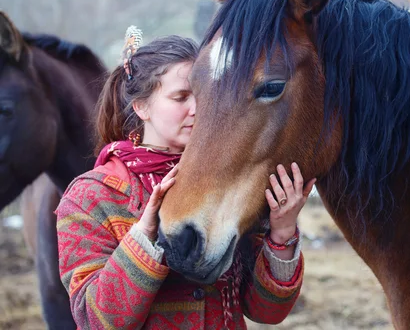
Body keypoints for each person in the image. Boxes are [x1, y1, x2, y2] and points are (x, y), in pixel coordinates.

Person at [55, 27, 316, 329]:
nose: (197, 109)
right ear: (141, 107)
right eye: (180, 97)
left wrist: (281, 235)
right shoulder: (91, 196)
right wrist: (144, 235)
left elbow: (266, 312)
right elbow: (97, 321)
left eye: (204, 95)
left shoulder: (229, 181)